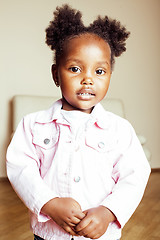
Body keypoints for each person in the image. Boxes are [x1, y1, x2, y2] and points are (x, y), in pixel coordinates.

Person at [6, 4, 151, 240]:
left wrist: (108, 212)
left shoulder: (120, 129)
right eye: (75, 68)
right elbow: (21, 169)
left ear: (110, 77)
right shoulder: (32, 125)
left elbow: (134, 177)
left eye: (99, 71)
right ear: (56, 74)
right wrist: (49, 203)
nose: (87, 79)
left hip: (101, 234)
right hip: (49, 235)